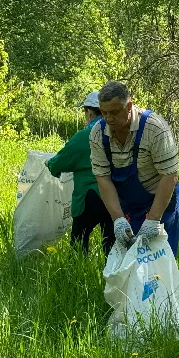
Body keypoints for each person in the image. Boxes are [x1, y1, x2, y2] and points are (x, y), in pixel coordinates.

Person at [89, 81, 179, 256]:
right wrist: (118, 219)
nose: (109, 119)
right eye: (104, 113)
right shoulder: (97, 133)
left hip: (162, 199)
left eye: (114, 112)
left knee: (160, 259)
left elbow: (170, 175)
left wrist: (153, 219)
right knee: (130, 260)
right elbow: (103, 177)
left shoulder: (154, 128)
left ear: (129, 106)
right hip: (128, 206)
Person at [46, 91, 114, 255]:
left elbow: (58, 163)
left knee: (79, 241)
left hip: (88, 198)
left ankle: (77, 275)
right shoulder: (117, 134)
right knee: (111, 246)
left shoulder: (84, 136)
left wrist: (49, 163)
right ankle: (112, 276)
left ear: (90, 112)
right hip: (114, 198)